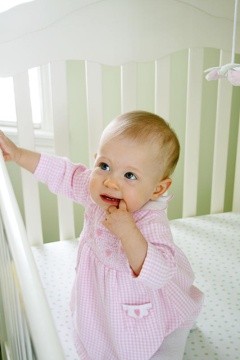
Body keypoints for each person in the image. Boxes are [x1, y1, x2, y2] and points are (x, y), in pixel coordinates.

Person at [0, 110, 203, 360]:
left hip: (139, 296)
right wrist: (18, 154)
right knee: (98, 334)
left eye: (130, 175)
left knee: (158, 339)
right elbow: (63, 173)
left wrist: (128, 232)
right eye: (104, 166)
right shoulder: (94, 191)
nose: (111, 182)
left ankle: (174, 336)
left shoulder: (150, 220)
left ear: (157, 188)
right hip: (99, 292)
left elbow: (160, 273)